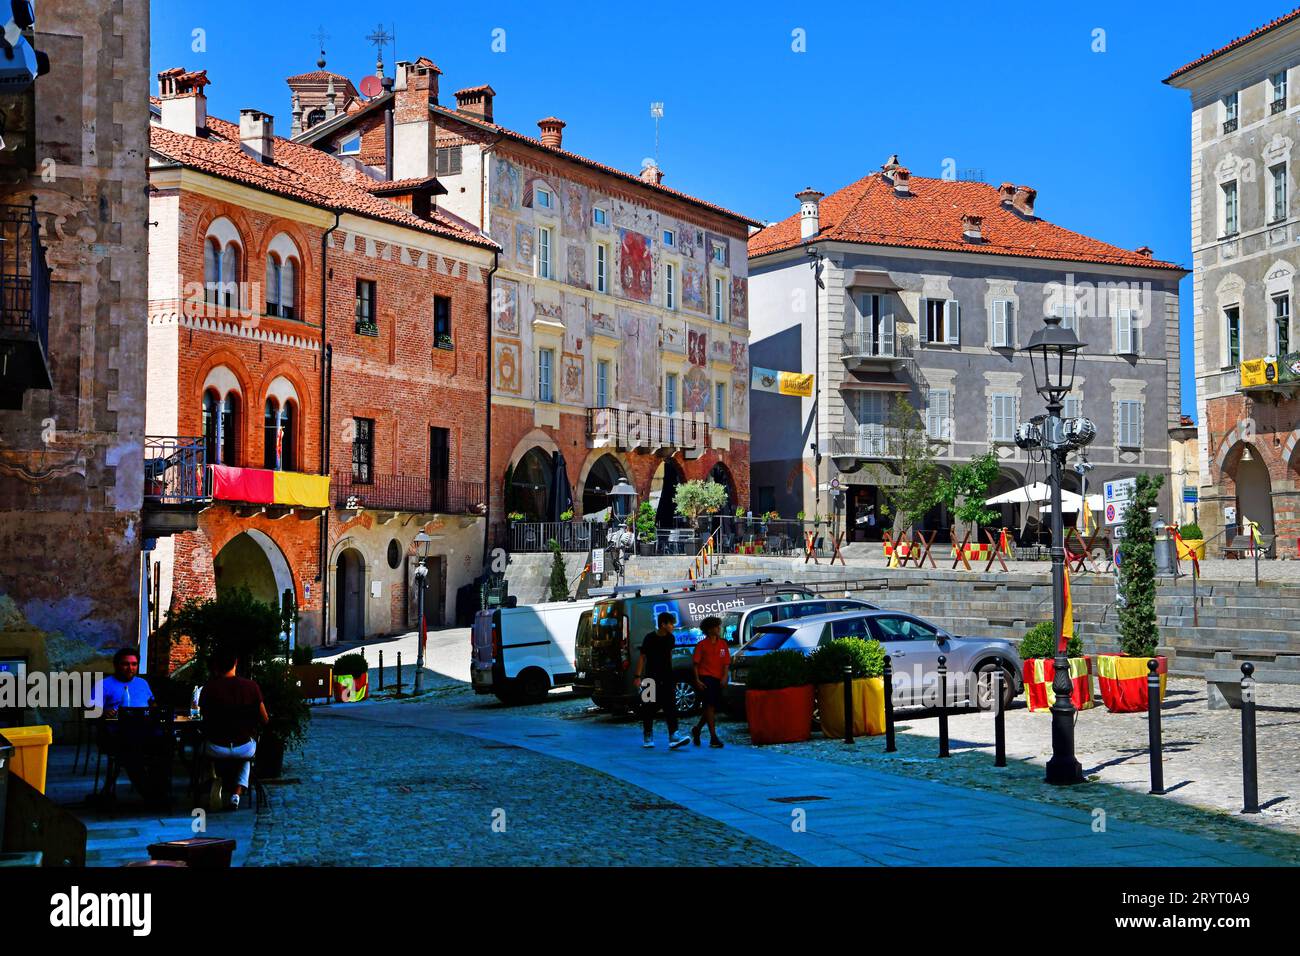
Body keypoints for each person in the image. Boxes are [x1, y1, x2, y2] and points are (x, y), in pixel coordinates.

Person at [199, 647, 269, 810]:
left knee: (199, 749)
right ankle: (236, 793)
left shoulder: (209, 688)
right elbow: (265, 719)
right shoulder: (251, 687)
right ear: (236, 663)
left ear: (215, 665)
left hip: (216, 746)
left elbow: (204, 717)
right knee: (248, 754)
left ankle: (213, 778)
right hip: (242, 745)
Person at [633, 611, 691, 749]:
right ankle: (648, 735)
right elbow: (642, 657)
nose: (672, 626)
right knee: (648, 707)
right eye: (670, 624)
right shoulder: (649, 638)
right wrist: (637, 676)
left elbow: (669, 655)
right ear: (663, 624)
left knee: (670, 705)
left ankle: (674, 735)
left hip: (666, 677)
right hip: (650, 677)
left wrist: (671, 673)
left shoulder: (670, 638)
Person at [690, 616, 731, 748]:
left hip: (718, 679)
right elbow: (695, 664)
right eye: (716, 626)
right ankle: (713, 737)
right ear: (709, 629)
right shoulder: (702, 645)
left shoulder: (723, 644)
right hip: (706, 678)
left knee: (711, 708)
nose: (719, 629)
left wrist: (725, 676)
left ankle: (697, 729)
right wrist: (697, 680)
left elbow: (726, 663)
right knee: (710, 707)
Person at [98, 648, 154, 716]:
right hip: (117, 724)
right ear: (116, 665)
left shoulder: (143, 683)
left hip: (144, 724)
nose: (130, 668)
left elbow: (152, 703)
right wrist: (103, 713)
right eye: (125, 664)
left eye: (134, 664)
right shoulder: (103, 685)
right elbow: (91, 712)